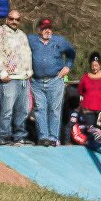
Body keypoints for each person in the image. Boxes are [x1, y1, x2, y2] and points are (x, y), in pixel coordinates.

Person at [28, 17, 74, 147]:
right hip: (37, 81)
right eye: (44, 28)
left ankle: (53, 138)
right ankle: (43, 137)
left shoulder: (59, 41)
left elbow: (71, 53)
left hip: (55, 80)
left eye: (49, 28)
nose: (47, 31)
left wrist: (68, 66)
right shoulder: (31, 40)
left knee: (54, 109)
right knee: (40, 109)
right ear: (39, 30)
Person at [0, 9, 33, 145]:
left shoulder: (22, 35)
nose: (14, 22)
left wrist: (29, 71)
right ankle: (4, 135)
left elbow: (27, 54)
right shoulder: (0, 34)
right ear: (7, 19)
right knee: (7, 109)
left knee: (23, 110)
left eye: (17, 19)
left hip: (23, 77)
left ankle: (19, 135)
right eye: (11, 19)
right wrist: (1, 72)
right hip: (9, 78)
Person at [78, 52, 101, 116]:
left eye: (96, 65)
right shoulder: (85, 77)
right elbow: (80, 91)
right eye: (92, 66)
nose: (94, 68)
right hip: (88, 109)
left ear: (100, 65)